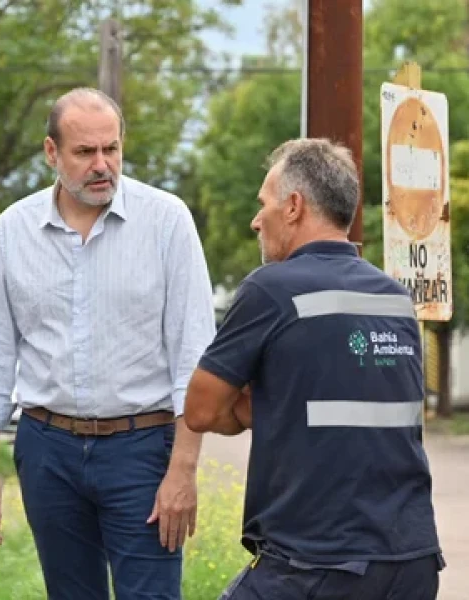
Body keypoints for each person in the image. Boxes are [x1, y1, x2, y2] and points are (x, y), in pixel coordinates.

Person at [0, 87, 216, 600]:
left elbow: (196, 356)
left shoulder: (166, 221)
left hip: (142, 449)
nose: (103, 165)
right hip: (46, 448)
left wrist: (183, 470)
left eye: (112, 149)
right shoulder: (13, 229)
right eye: (85, 152)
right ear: (52, 152)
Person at [183, 138, 444, 600]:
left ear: (294, 206)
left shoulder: (271, 289)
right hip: (411, 561)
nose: (255, 220)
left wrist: (254, 405)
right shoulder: (396, 299)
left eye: (263, 204)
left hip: (315, 563)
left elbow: (201, 411)